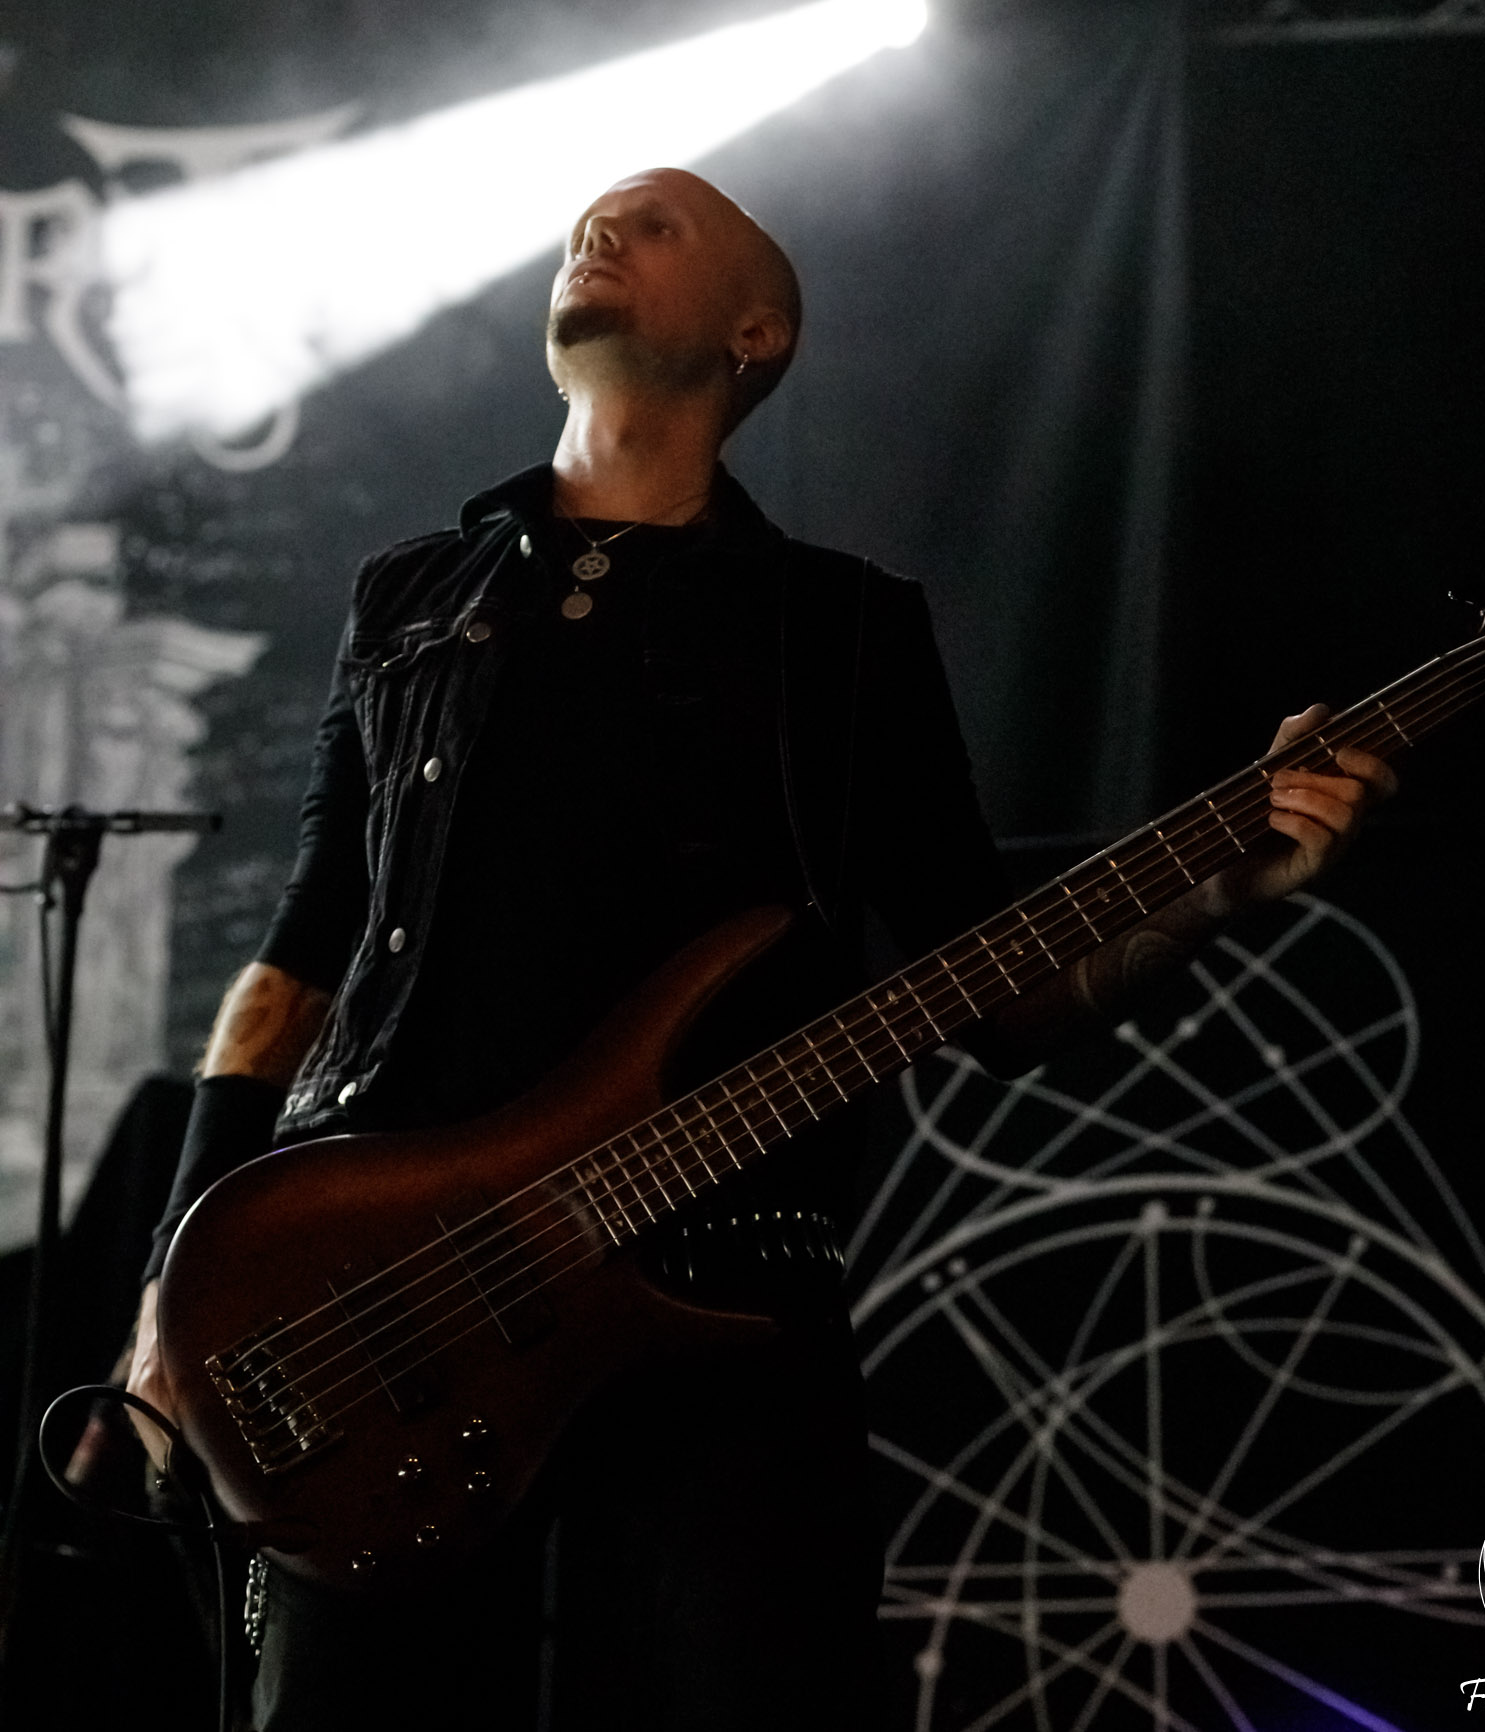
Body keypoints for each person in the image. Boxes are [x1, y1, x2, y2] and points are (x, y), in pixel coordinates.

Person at [120, 167, 1395, 1730]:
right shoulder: (409, 600)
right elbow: (296, 958)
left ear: (755, 331)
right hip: (391, 1298)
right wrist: (174, 1288)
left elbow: (997, 990)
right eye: (587, 223)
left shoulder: (842, 632)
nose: (597, 232)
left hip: (721, 1298)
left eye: (656, 223)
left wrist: (1219, 891)